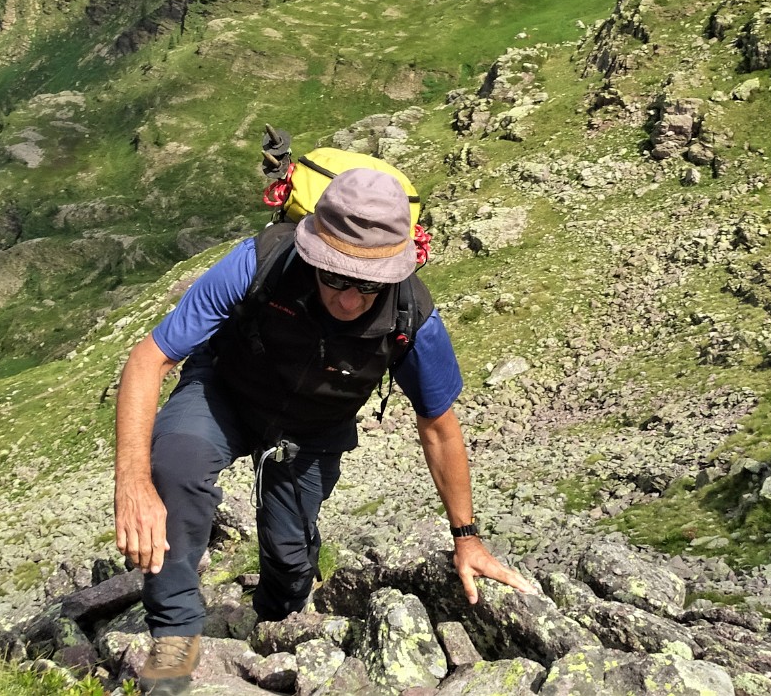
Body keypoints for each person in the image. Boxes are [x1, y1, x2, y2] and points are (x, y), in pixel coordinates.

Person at [114, 167, 536, 695]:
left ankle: (276, 622)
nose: (349, 299)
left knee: (290, 559)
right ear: (311, 249)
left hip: (313, 430)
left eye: (368, 284)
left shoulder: (413, 317)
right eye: (334, 276)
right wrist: (132, 481)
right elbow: (149, 358)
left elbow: (439, 429)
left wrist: (467, 539)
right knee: (176, 466)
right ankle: (173, 647)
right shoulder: (260, 262)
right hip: (225, 392)